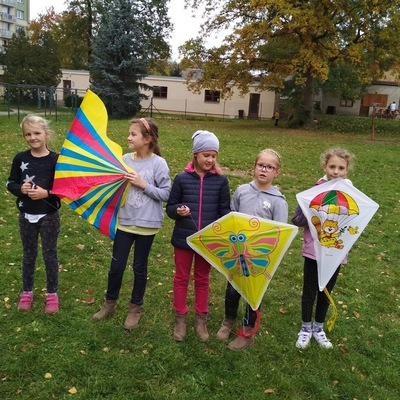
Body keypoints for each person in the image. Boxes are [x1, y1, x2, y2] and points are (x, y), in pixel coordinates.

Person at [92, 118, 171, 330]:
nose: (128, 137)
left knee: (139, 267)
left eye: (133, 134)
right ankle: (109, 304)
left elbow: (166, 194)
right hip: (124, 223)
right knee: (116, 266)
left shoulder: (158, 164)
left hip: (147, 225)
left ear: (147, 139)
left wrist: (143, 184)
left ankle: (135, 308)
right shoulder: (124, 160)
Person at [216, 149, 288, 350]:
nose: (264, 169)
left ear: (277, 172)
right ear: (254, 167)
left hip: (259, 257)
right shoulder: (241, 191)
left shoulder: (278, 201)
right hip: (238, 253)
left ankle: (247, 331)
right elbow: (232, 217)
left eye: (269, 167)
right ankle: (228, 320)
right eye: (261, 165)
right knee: (232, 289)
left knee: (253, 295)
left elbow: (280, 233)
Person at [166, 130, 231, 342]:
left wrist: (220, 231)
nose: (210, 160)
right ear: (196, 154)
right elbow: (170, 208)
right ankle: (180, 318)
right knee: (181, 278)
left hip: (207, 242)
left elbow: (224, 212)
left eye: (214, 156)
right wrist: (178, 211)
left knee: (202, 279)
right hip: (183, 240)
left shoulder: (221, 182)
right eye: (206, 155)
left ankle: (201, 319)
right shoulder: (182, 179)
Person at [292, 147, 354, 350]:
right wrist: (312, 210)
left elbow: (354, 222)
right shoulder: (315, 190)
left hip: (335, 251)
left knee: (326, 291)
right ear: (324, 166)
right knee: (310, 290)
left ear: (346, 170)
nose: (336, 171)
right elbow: (297, 219)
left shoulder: (351, 195)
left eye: (341, 168)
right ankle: (305, 328)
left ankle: (318, 328)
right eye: (332, 166)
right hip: (314, 250)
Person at [6, 115, 61, 314]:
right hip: (26, 215)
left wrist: (47, 193)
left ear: (46, 134)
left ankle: (52, 294)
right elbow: (10, 182)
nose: (33, 137)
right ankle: (27, 292)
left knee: (49, 254)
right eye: (28, 134)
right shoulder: (20, 158)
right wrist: (20, 189)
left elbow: (65, 188)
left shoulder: (57, 160)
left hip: (49, 216)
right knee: (29, 254)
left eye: (37, 133)